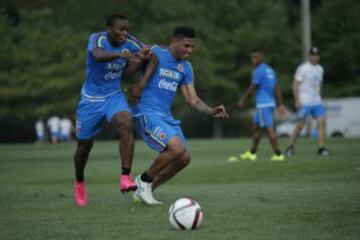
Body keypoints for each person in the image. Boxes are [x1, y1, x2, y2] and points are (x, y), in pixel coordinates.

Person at [130, 26, 229, 205]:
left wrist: (212, 111)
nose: (190, 50)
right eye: (186, 46)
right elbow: (131, 66)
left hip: (166, 116)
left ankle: (145, 190)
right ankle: (143, 180)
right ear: (173, 41)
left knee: (184, 158)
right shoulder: (155, 52)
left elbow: (193, 100)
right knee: (176, 148)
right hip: (147, 111)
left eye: (192, 47)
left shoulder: (186, 67)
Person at [73, 14, 150, 207]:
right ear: (109, 29)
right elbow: (97, 55)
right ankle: (80, 182)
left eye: (127, 29)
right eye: (120, 29)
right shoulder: (97, 38)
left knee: (126, 123)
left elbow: (150, 53)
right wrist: (120, 55)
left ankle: (125, 177)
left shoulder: (131, 42)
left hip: (113, 96)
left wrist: (141, 71)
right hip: (90, 100)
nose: (125, 33)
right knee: (83, 147)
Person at [228, 50, 286, 162]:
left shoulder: (258, 71)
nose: (253, 60)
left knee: (269, 129)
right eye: (252, 58)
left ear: (261, 58)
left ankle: (278, 154)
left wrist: (243, 100)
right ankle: (252, 153)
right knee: (256, 127)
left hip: (263, 105)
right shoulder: (270, 70)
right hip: (270, 103)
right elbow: (277, 88)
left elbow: (252, 87)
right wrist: (280, 104)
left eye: (255, 57)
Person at [284, 46, 330, 156]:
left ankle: (321, 148)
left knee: (321, 123)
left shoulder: (320, 69)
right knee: (300, 125)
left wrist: (320, 97)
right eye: (313, 55)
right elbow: (295, 84)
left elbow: (319, 84)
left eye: (316, 55)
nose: (315, 57)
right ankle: (290, 147)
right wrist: (297, 100)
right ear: (309, 56)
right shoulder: (303, 68)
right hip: (304, 101)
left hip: (316, 101)